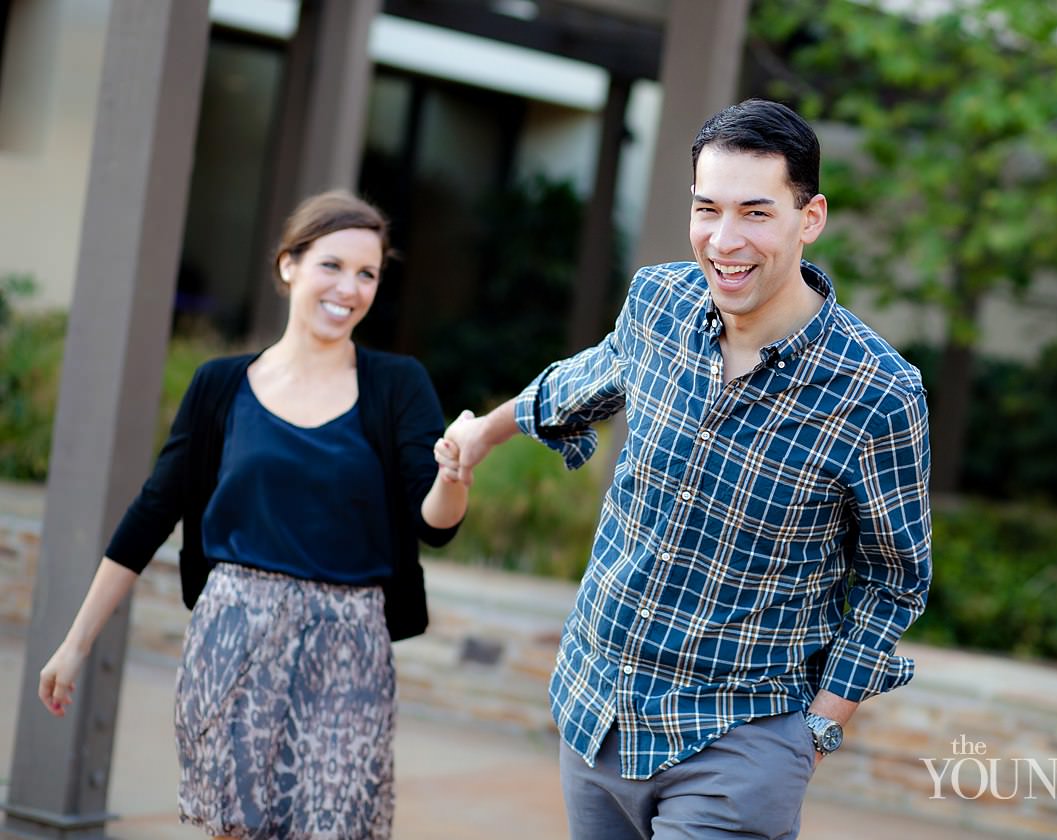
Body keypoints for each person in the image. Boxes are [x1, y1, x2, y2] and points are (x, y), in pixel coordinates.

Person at [440, 99, 932, 839]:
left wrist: (820, 727)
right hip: (598, 709)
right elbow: (581, 382)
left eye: (756, 214)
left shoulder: (878, 394)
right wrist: (484, 434)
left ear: (811, 217)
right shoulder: (659, 302)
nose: (724, 241)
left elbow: (896, 578)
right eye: (708, 209)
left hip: (737, 741)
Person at [37, 190, 469, 839]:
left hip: (347, 646)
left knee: (337, 827)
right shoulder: (220, 385)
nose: (349, 288)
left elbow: (435, 524)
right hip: (234, 633)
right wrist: (74, 644)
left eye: (367, 274)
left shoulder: (397, 385)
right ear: (288, 264)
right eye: (332, 264)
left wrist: (454, 472)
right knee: (236, 829)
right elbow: (153, 513)